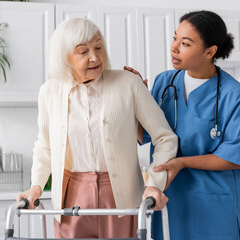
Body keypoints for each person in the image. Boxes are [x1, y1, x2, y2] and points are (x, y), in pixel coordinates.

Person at [16, 18, 177, 239]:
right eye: (83, 52)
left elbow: (165, 137)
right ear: (64, 58)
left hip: (120, 193)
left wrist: (154, 185)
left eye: (99, 47)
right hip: (70, 195)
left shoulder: (128, 83)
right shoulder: (49, 91)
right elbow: (45, 146)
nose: (95, 57)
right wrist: (36, 186)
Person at [127, 10, 240, 240]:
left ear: (210, 51)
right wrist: (137, 99)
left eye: (185, 43)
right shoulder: (164, 82)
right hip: (168, 202)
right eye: (174, 38)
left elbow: (235, 156)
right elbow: (146, 135)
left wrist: (182, 162)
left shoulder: (233, 94)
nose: (174, 48)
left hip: (214, 206)